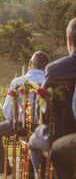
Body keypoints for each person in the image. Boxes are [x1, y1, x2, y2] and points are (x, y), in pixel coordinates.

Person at [0, 51, 50, 176]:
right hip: (43, 128)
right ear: (47, 66)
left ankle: (3, 166)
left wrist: (15, 119)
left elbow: (8, 112)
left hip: (19, 127)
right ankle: (32, 170)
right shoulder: (50, 82)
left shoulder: (18, 82)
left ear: (30, 63)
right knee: (33, 135)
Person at [30, 18, 76, 178]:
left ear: (69, 40)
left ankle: (40, 175)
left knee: (33, 141)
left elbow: (42, 109)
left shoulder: (55, 69)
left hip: (58, 134)